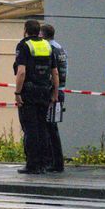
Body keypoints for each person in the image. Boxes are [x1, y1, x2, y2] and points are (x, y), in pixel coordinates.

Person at [13, 19, 59, 175]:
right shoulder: (47, 46)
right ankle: (43, 163)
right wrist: (55, 93)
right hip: (45, 92)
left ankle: (32, 165)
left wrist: (18, 93)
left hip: (29, 93)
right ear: (38, 30)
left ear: (25, 30)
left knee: (31, 129)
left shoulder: (23, 45)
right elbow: (55, 72)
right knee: (42, 128)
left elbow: (21, 72)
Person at [40, 23, 67, 173]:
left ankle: (55, 163)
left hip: (53, 93)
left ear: (42, 35)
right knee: (52, 127)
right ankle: (57, 162)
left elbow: (53, 72)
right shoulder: (60, 48)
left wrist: (53, 94)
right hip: (60, 91)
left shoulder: (49, 49)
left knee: (49, 128)